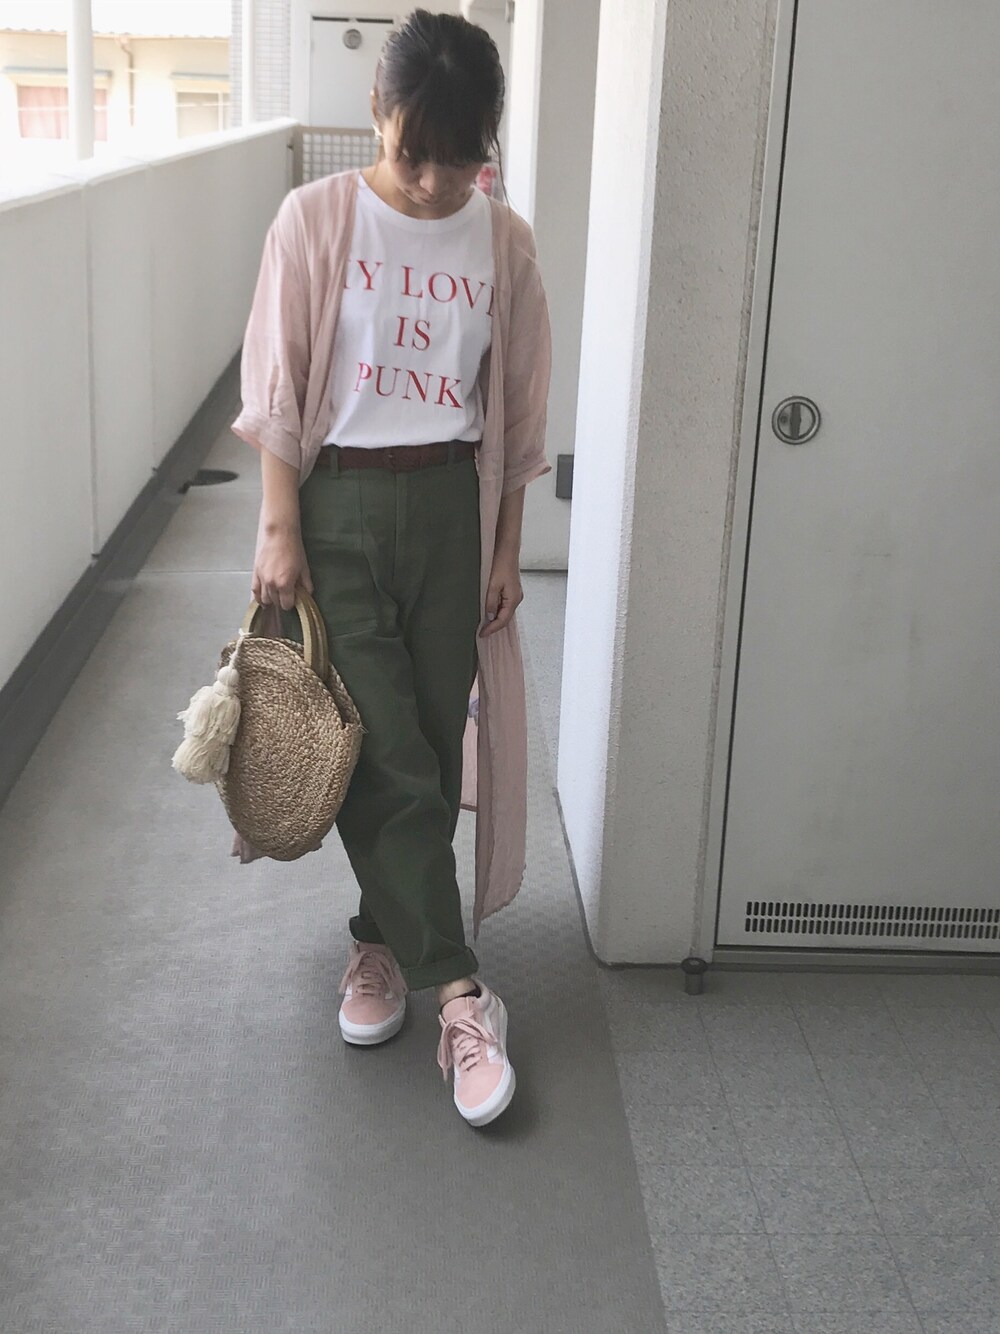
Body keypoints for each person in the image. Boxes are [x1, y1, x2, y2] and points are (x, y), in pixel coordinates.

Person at [231, 9, 552, 1128]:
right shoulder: (316, 219)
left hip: (450, 506)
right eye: (414, 152)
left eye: (457, 160)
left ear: (486, 145)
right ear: (378, 111)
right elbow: (277, 384)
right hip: (338, 506)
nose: (429, 182)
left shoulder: (504, 243)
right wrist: (279, 525)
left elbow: (516, 415)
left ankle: (377, 942)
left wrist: (505, 547)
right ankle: (460, 993)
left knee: (428, 734)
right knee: (385, 752)